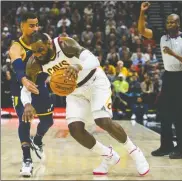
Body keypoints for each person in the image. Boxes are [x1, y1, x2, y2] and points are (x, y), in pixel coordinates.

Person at [20, 32, 150, 176]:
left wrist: (77, 66)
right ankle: (108, 156)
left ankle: (135, 152)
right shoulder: (34, 64)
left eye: (41, 50)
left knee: (103, 120)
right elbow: (26, 87)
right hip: (74, 91)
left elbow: (94, 60)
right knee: (75, 129)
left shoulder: (64, 44)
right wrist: (27, 103)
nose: (38, 54)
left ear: (49, 43)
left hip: (94, 81)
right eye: (34, 51)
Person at [139, 9, 182, 159]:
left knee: (180, 115)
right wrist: (142, 12)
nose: (169, 24)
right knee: (164, 114)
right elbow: (142, 30)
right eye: (168, 22)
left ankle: (180, 148)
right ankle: (166, 146)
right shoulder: (162, 36)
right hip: (168, 77)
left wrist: (174, 54)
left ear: (178, 23)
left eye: (172, 22)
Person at [8, 12, 54, 177]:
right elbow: (19, 67)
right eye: (31, 25)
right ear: (22, 26)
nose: (36, 28)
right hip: (20, 88)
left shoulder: (43, 40)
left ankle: (38, 140)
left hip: (40, 86)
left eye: (37, 25)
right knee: (25, 120)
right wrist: (23, 79)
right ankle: (27, 160)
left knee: (48, 121)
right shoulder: (16, 47)